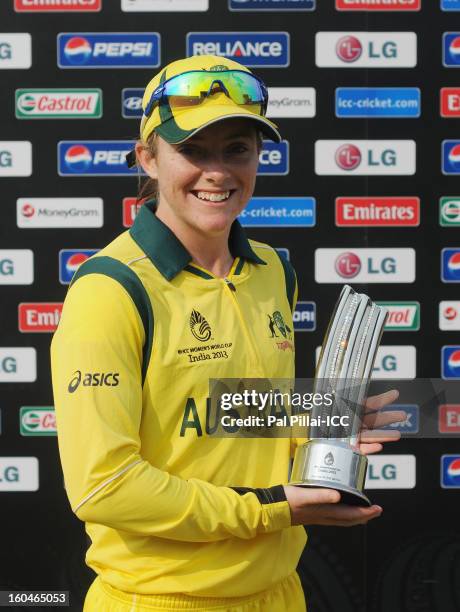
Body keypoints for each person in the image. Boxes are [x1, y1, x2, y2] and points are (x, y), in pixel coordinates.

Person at [50, 54, 403, 612]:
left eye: (237, 148)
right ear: (148, 157)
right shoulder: (109, 290)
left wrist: (319, 423)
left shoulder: (270, 270)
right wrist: (275, 506)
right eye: (192, 149)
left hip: (279, 592)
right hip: (160, 599)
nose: (218, 172)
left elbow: (226, 414)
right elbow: (104, 487)